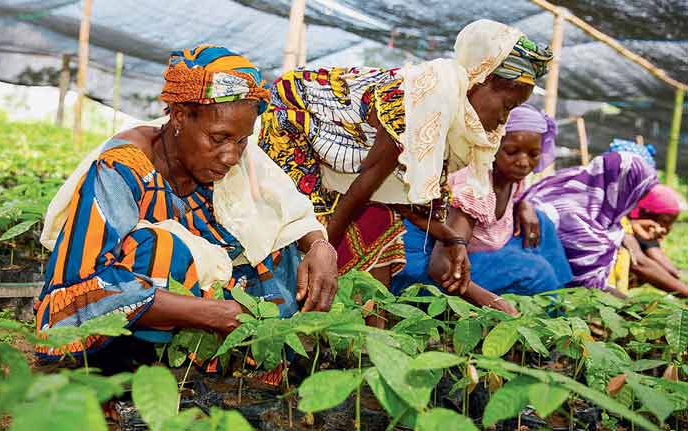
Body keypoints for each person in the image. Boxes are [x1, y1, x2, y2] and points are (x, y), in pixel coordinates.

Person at [34, 46, 338, 370]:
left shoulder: (231, 157)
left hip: (214, 303)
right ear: (179, 116)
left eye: (241, 141)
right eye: (219, 138)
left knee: (281, 250)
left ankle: (250, 367)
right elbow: (81, 286)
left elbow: (292, 212)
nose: (231, 156)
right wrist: (211, 314)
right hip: (141, 319)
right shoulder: (123, 167)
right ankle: (136, 371)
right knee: (161, 250)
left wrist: (321, 247)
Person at [259, 19, 552, 313]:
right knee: (306, 223)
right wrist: (324, 252)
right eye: (507, 106)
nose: (504, 119)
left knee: (380, 222)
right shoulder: (424, 100)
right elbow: (362, 188)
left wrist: (451, 238)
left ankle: (341, 324)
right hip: (295, 121)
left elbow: (405, 199)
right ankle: (292, 311)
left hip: (347, 160)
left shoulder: (452, 111)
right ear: (482, 80)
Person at [393, 105, 572, 313]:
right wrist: (493, 301)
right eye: (512, 152)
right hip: (423, 270)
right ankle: (554, 318)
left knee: (542, 224)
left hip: (468, 254)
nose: (523, 162)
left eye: (533, 154)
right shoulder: (474, 188)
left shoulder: (512, 181)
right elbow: (441, 266)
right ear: (493, 148)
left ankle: (565, 297)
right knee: (536, 272)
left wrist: (523, 204)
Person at [521, 151, 659, 296]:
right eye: (638, 193)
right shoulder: (574, 216)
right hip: (535, 297)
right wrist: (636, 310)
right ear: (623, 187)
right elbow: (584, 290)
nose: (637, 201)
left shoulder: (600, 215)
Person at [624, 184, 687, 295]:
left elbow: (667, 266)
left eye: (671, 224)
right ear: (643, 213)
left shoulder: (637, 226)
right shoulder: (622, 227)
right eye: (665, 221)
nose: (667, 229)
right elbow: (642, 263)